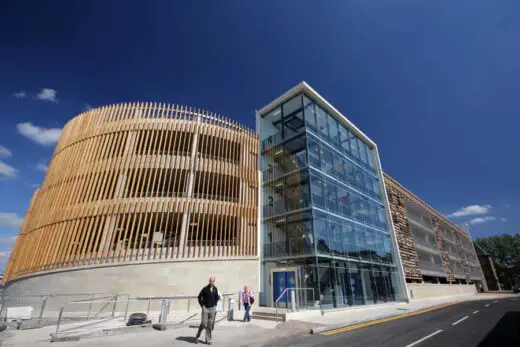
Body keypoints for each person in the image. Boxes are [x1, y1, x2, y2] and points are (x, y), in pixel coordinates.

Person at [196, 276, 220, 345]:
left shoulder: (215, 289)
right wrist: (202, 305)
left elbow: (216, 297)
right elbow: (199, 297)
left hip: (212, 308)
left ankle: (208, 340)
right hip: (205, 308)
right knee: (203, 323)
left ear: (214, 281)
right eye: (210, 281)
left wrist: (215, 304)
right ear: (209, 281)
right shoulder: (205, 288)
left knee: (209, 324)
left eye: (212, 281)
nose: (211, 282)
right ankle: (198, 335)